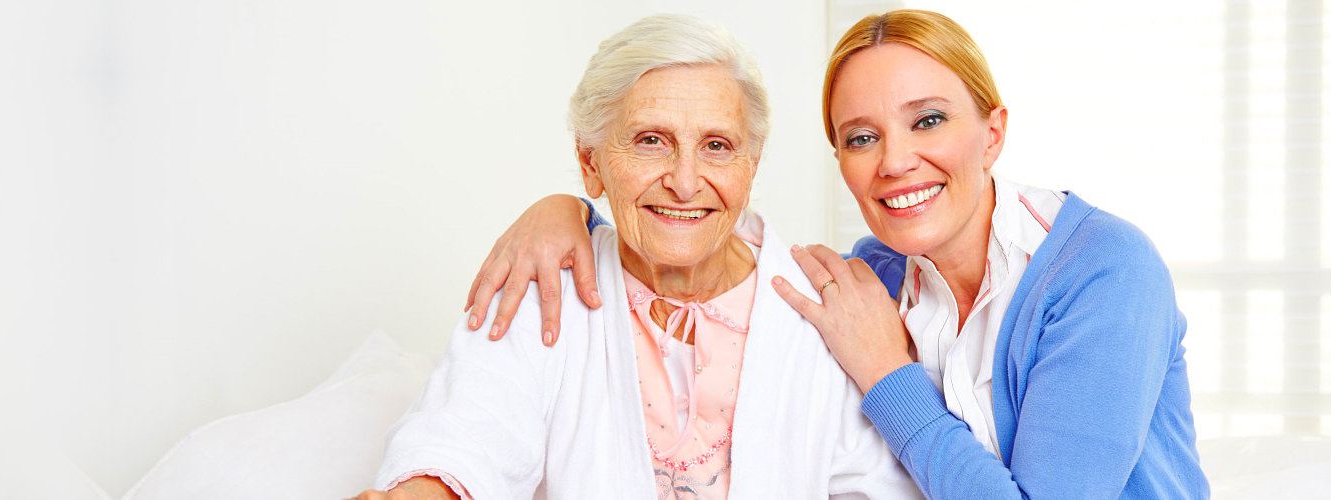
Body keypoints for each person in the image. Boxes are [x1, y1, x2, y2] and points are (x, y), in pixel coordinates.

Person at [461, 9, 1207, 499]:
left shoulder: (1105, 273)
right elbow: (706, 225)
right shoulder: (868, 278)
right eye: (861, 136)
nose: (896, 162)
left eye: (930, 120)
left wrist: (889, 374)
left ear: (994, 132)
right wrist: (564, 211)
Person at [350, 14, 918, 500]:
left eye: (717, 146)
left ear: (752, 164)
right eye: (651, 141)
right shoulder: (543, 282)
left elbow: (876, 485)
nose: (686, 182)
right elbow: (463, 438)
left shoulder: (825, 307)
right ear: (590, 162)